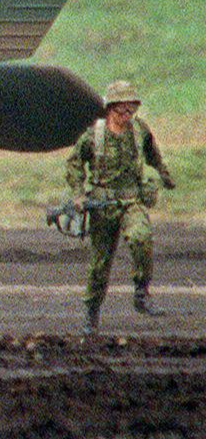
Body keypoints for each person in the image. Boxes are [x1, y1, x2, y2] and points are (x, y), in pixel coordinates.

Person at [68, 80, 177, 335]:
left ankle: (141, 293)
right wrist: (78, 194)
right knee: (100, 263)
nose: (127, 115)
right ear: (110, 109)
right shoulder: (94, 136)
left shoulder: (139, 130)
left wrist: (164, 175)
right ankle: (91, 312)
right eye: (122, 110)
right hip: (102, 206)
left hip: (131, 200)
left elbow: (153, 154)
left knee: (141, 237)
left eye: (131, 109)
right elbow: (74, 164)